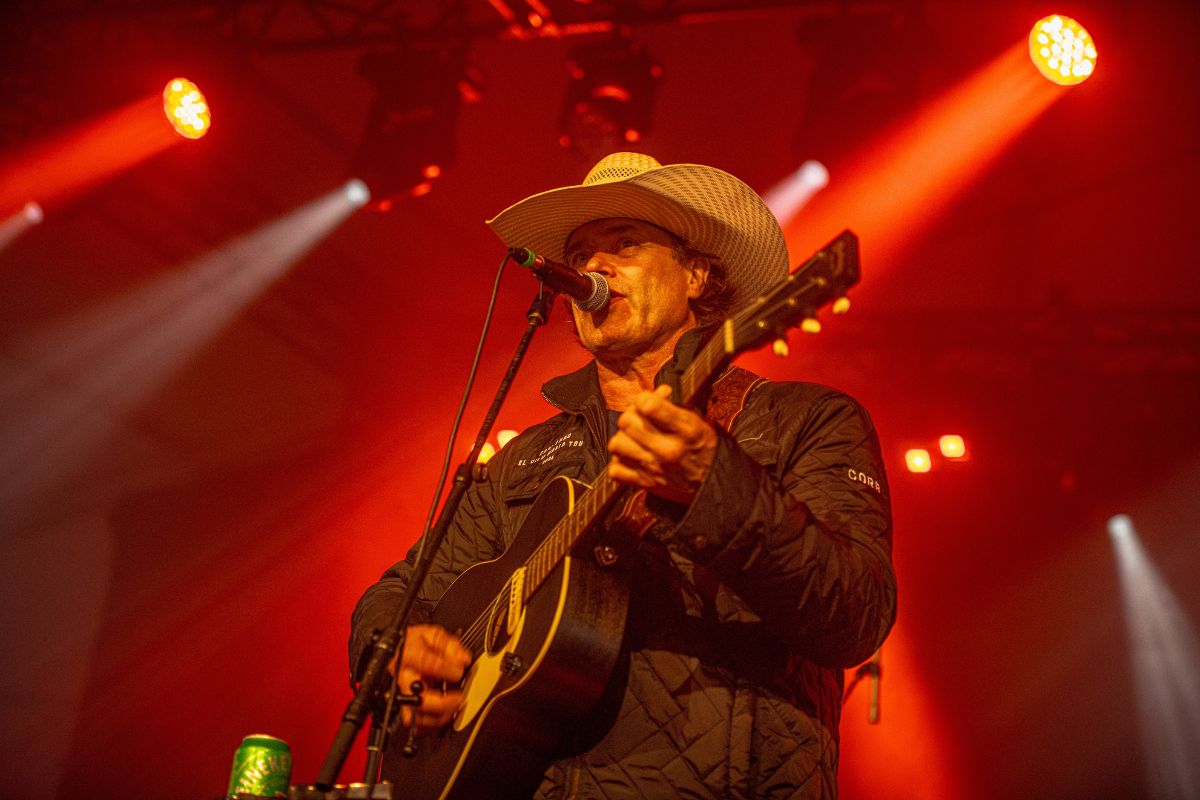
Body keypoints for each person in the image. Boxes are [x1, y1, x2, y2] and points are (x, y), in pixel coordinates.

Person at [350, 152, 896, 798]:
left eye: (624, 245)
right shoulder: (525, 457)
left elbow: (856, 613)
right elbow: (401, 592)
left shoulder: (803, 421)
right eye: (579, 255)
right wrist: (397, 651)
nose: (592, 269)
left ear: (697, 275)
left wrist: (713, 486)